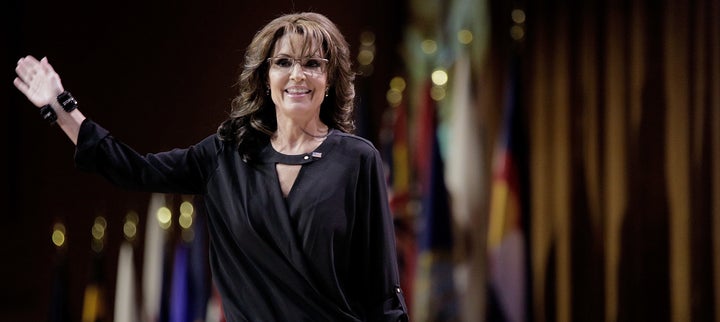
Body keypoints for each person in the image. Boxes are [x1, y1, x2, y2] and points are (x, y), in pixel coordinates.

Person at [14, 12, 408, 322]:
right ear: (265, 76)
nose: (297, 75)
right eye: (283, 62)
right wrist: (60, 106)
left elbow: (383, 293)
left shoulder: (358, 160)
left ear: (330, 77)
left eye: (312, 63)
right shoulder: (227, 154)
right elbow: (132, 169)